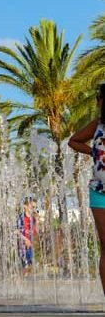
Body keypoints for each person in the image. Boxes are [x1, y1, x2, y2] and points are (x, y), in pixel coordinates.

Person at [69, 82, 105, 295]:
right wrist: (93, 152)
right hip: (99, 191)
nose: (100, 102)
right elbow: (73, 141)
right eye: (100, 99)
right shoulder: (97, 125)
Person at [17, 197, 38, 276]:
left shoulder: (33, 218)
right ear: (25, 206)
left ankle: (24, 278)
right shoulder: (21, 218)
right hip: (22, 246)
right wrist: (25, 239)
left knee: (31, 265)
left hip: (30, 246)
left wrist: (37, 221)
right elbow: (16, 231)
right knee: (25, 266)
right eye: (32, 207)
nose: (33, 209)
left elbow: (36, 232)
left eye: (35, 207)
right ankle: (19, 278)